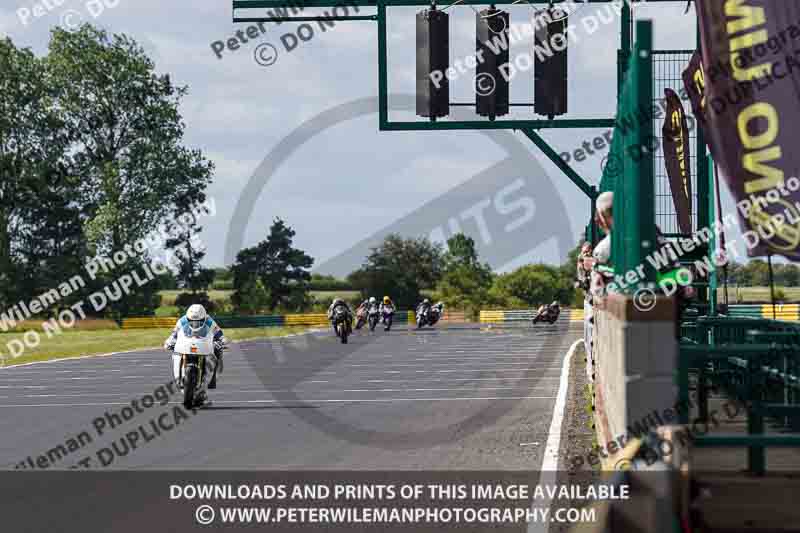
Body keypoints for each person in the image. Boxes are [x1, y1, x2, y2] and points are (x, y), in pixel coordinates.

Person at [164, 304, 226, 404]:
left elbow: (219, 333)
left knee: (218, 351)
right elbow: (174, 334)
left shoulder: (210, 321)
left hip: (204, 344)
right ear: (188, 318)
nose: (195, 325)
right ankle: (179, 379)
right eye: (192, 322)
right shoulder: (182, 321)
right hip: (186, 344)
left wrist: (222, 341)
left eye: (198, 322)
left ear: (203, 318)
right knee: (175, 352)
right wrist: (169, 341)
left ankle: (212, 380)